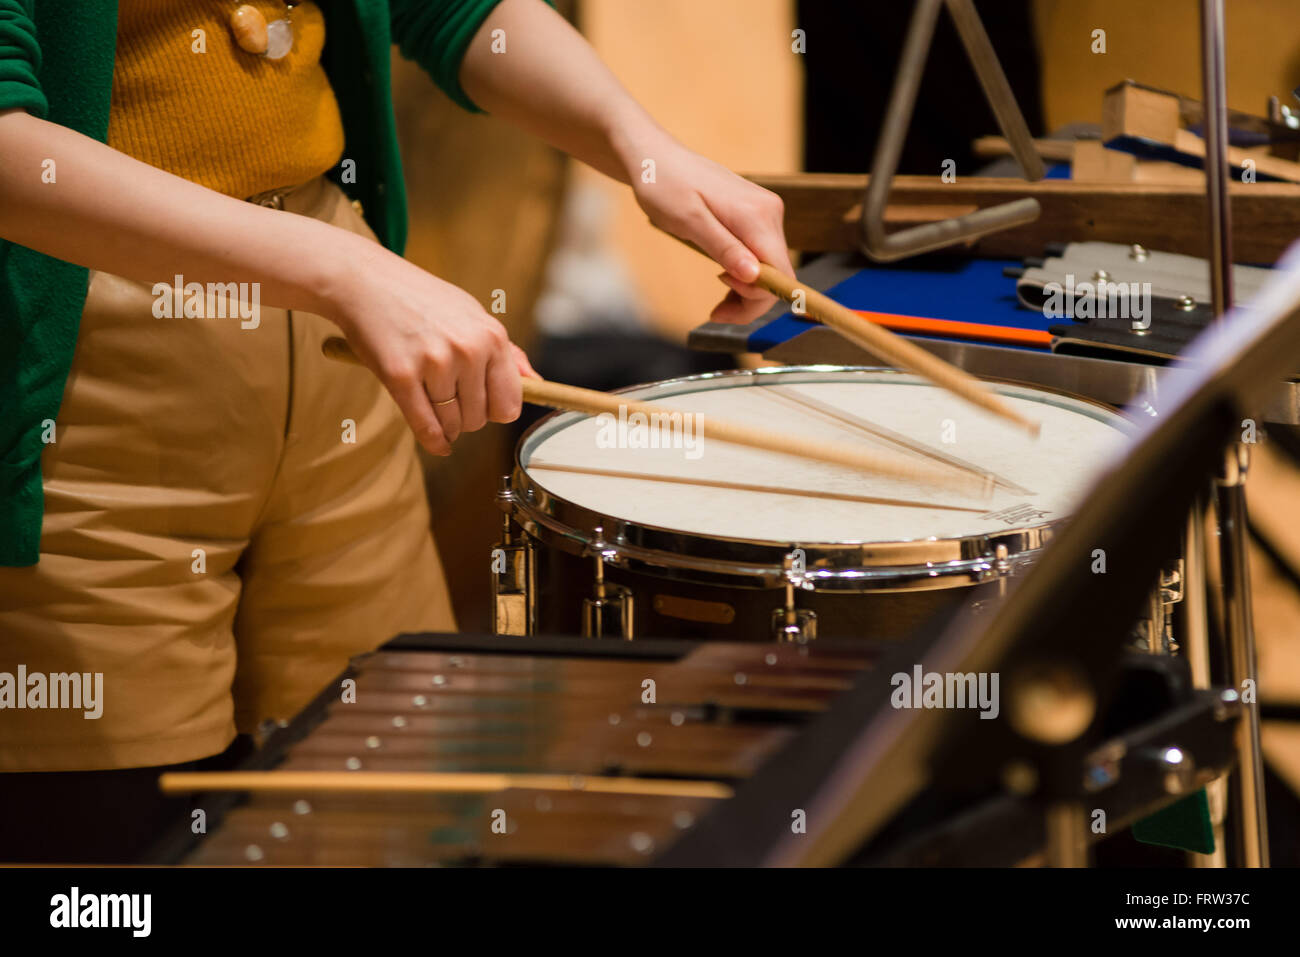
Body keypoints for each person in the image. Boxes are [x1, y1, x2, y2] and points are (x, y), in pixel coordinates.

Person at [0, 0, 794, 861]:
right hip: (77, 357)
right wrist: (341, 270)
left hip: (333, 332)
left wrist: (646, 149)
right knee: (119, 861)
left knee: (392, 806)